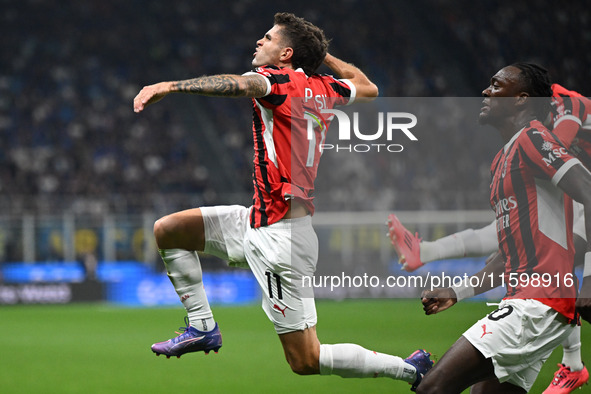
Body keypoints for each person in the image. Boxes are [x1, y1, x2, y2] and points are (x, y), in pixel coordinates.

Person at [133, 12, 432, 391]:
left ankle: (410, 370)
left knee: (305, 360)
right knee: (170, 230)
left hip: (281, 240)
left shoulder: (276, 81)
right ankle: (202, 327)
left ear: (286, 54)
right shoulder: (325, 87)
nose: (260, 42)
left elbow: (238, 85)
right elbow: (368, 87)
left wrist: (172, 86)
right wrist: (321, 56)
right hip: (258, 219)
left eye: (269, 38)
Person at [388, 82, 591, 393]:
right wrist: (458, 290)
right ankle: (572, 363)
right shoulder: (511, 155)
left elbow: (555, 157)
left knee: (433, 388)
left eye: (498, 86)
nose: (485, 91)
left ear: (524, 98)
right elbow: (512, 244)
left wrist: (589, 280)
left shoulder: (557, 114)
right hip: (537, 295)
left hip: (541, 297)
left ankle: (573, 363)